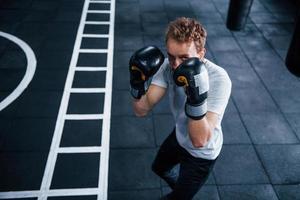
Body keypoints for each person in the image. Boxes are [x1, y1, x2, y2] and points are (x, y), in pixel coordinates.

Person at [128, 17, 232, 200]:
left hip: (202, 154)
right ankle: (180, 188)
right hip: (179, 136)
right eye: (171, 56)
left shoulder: (219, 79)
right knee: (159, 168)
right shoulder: (169, 66)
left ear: (201, 54)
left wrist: (196, 97)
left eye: (184, 58)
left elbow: (200, 140)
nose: (176, 65)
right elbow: (141, 110)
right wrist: (137, 82)